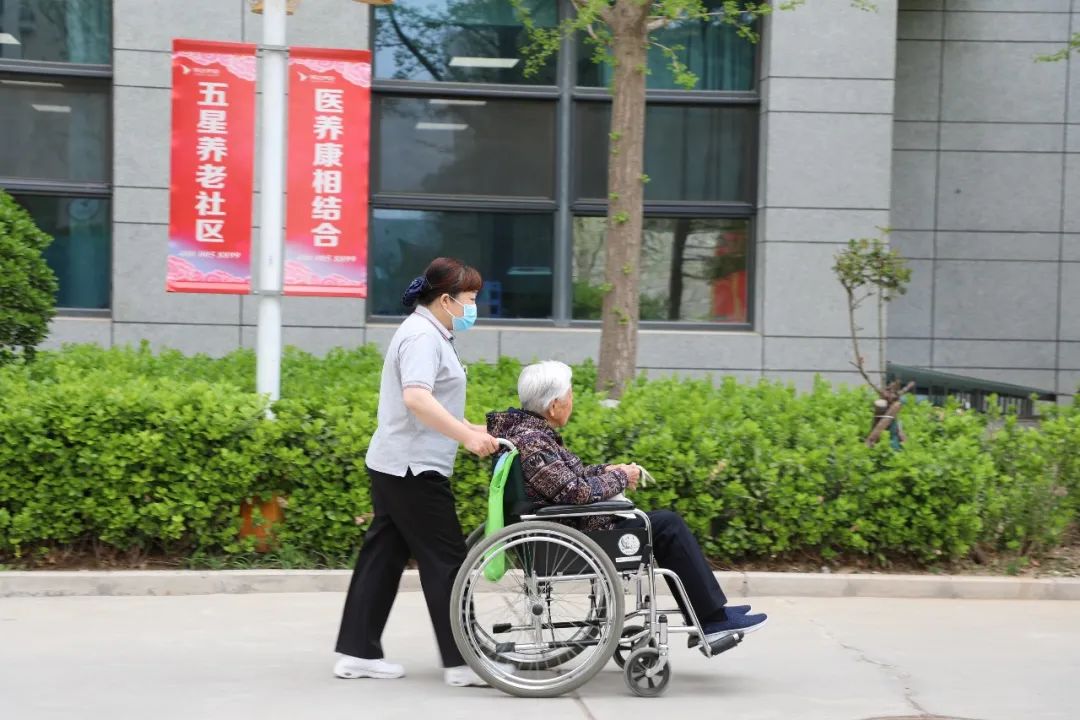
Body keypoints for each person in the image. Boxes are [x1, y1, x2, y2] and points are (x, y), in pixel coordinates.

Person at [486, 361, 768, 645]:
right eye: (570, 395)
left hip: (567, 527)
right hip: (574, 533)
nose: (573, 401)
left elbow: (569, 479)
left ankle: (708, 615)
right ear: (554, 405)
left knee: (662, 524)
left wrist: (609, 471)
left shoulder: (530, 435)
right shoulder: (534, 443)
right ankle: (711, 619)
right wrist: (621, 477)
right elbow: (575, 493)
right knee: (666, 526)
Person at [334, 258, 500, 687]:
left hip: (397, 463)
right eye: (470, 300)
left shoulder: (430, 333)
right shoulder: (422, 336)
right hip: (412, 468)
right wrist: (466, 438)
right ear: (446, 300)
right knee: (446, 560)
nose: (473, 308)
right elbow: (417, 399)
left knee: (383, 558)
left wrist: (476, 430)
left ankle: (357, 654)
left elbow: (435, 404)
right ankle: (463, 663)